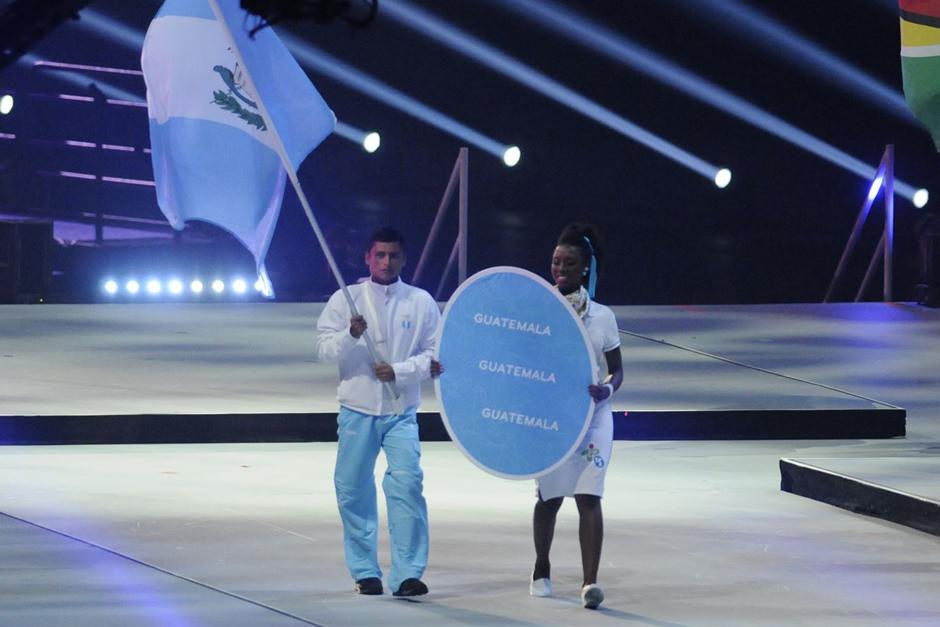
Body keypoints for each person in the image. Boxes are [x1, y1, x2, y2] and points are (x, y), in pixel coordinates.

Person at [315, 227, 443, 597]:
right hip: (357, 409)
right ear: (368, 258)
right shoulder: (347, 300)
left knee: (407, 487)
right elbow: (323, 349)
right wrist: (351, 336)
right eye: (380, 255)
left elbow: (435, 357)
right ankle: (364, 571)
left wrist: (400, 371)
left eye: (394, 256)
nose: (386, 262)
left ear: (404, 259)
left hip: (401, 411)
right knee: (353, 489)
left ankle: (407, 573)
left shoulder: (420, 302)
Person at [529, 223, 623, 610]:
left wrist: (608, 389)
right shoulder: (540, 309)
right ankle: (541, 566)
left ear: (585, 268)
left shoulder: (602, 316)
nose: (560, 268)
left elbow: (617, 370)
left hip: (594, 417)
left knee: (589, 496)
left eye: (569, 263)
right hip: (553, 417)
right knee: (549, 498)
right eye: (555, 262)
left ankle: (590, 583)